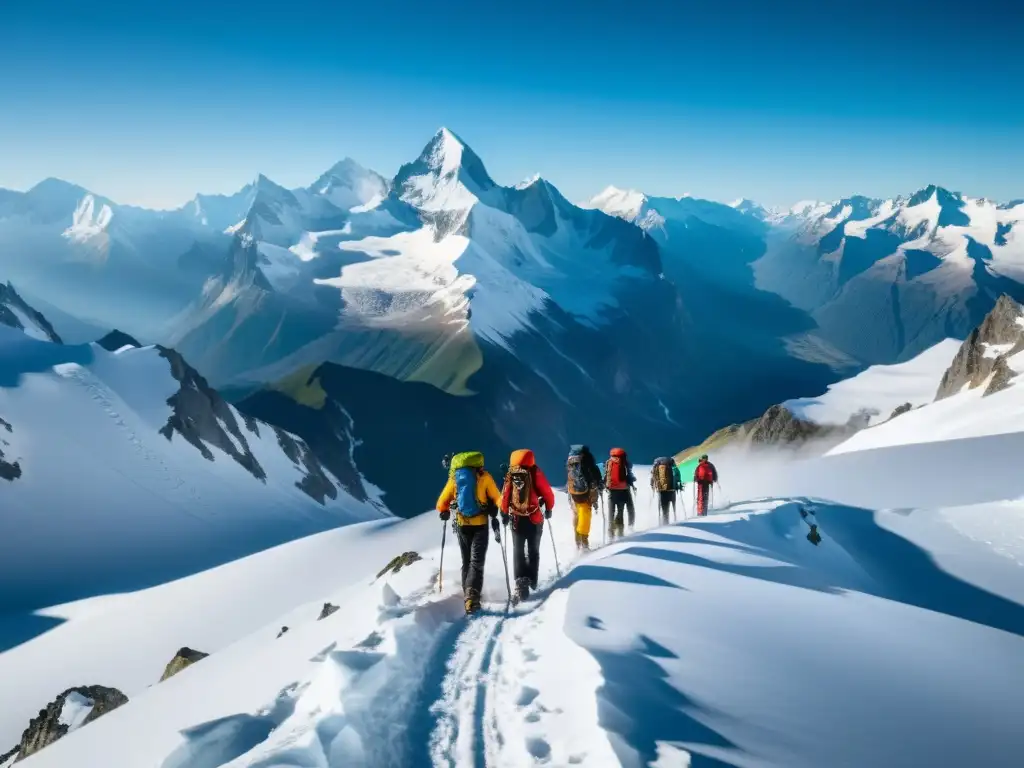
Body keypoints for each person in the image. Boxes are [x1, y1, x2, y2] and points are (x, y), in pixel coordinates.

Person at [436, 451, 502, 614]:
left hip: (461, 524)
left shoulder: (455, 479)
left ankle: (468, 593)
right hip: (480, 524)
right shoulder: (484, 477)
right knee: (476, 562)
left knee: (466, 561)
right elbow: (498, 498)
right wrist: (496, 508)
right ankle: (472, 597)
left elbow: (441, 503)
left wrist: (445, 511)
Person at [501, 448, 555, 603]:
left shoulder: (511, 474)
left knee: (518, 550)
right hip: (534, 517)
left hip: (516, 518)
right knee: (533, 549)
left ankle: (520, 582)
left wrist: (504, 512)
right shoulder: (535, 472)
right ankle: (532, 579)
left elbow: (505, 495)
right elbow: (547, 493)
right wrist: (549, 508)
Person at [566, 444, 603, 550]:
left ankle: (577, 542)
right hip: (585, 494)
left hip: (573, 493)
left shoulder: (570, 460)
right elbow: (594, 472)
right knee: (585, 516)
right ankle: (584, 542)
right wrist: (599, 484)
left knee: (577, 515)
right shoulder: (587, 458)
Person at [603, 447, 636, 539]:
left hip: (612, 490)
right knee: (620, 510)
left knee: (611, 511)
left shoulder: (608, 462)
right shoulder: (626, 463)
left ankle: (610, 533)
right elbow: (629, 474)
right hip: (623, 490)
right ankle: (620, 532)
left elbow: (605, 475)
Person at [650, 456, 681, 525]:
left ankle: (665, 523)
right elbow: (677, 474)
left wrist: (652, 484)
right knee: (673, 506)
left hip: (661, 490)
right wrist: (678, 485)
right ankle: (675, 522)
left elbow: (652, 476)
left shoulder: (656, 465)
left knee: (664, 508)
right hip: (671, 489)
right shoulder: (672, 463)